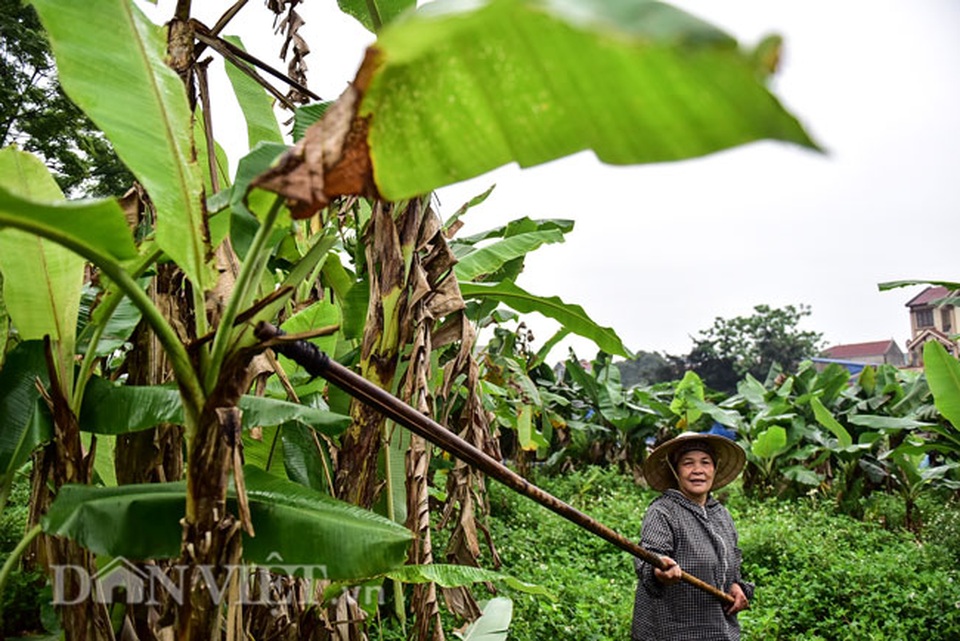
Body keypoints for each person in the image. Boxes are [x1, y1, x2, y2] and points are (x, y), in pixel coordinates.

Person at [632, 431, 753, 641]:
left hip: (718, 630)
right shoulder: (663, 511)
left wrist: (735, 585)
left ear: (714, 469)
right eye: (688, 463)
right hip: (672, 631)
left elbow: (732, 561)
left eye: (705, 462)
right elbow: (648, 558)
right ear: (676, 470)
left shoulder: (721, 513)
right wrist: (659, 570)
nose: (698, 470)